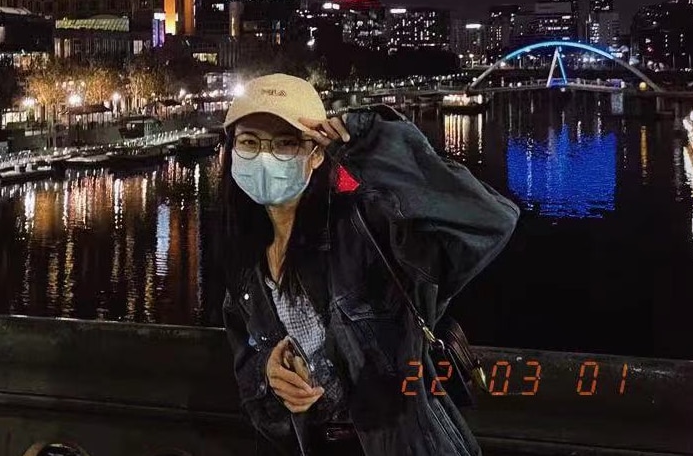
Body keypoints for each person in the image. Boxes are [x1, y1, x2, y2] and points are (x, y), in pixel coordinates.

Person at [219, 73, 520, 456]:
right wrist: (269, 376)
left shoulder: (369, 230)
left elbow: (491, 220)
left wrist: (370, 140)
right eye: (249, 143)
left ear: (315, 152)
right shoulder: (246, 260)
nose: (264, 157)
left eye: (284, 144)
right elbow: (247, 360)